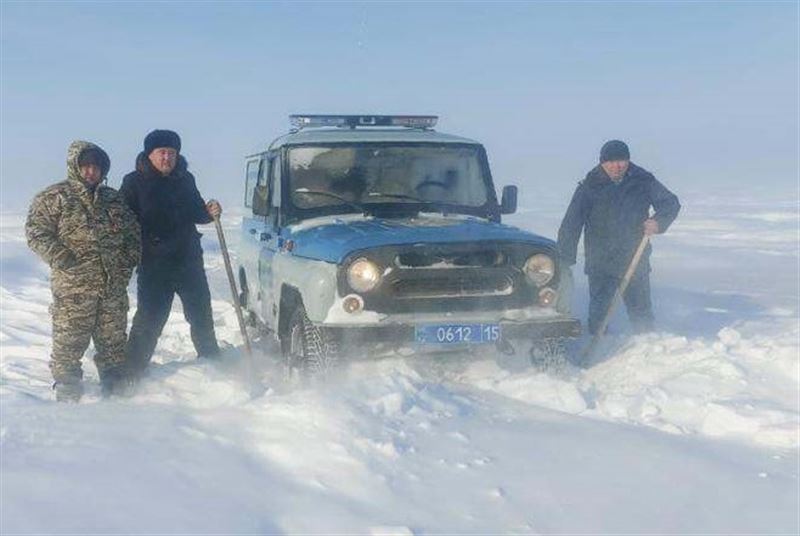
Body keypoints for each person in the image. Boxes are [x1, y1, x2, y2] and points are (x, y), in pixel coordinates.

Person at [26, 141, 141, 402]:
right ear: (76, 167)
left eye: (97, 167)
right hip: (74, 291)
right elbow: (35, 232)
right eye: (86, 166)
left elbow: (132, 235)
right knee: (68, 346)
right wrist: (62, 257)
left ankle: (116, 399)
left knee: (113, 345)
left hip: (112, 290)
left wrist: (125, 266)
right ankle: (68, 400)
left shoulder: (113, 199)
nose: (91, 172)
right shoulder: (54, 196)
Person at [120, 130, 222, 378]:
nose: (167, 157)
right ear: (150, 154)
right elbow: (122, 221)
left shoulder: (185, 179)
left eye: (172, 153)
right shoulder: (133, 182)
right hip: (154, 264)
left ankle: (214, 366)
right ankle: (131, 373)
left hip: (188, 261)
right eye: (161, 152)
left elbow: (197, 213)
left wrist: (210, 212)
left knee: (201, 316)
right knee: (149, 321)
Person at [558, 140, 680, 335]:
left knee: (640, 310)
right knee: (600, 312)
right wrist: (564, 258)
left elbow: (670, 203)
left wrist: (658, 222)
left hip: (634, 258)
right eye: (611, 162)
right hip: (601, 261)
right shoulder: (589, 186)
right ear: (602, 163)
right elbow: (571, 224)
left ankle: (646, 346)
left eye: (621, 161)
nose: (617, 166)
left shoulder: (642, 181)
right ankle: (598, 348)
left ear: (628, 161)